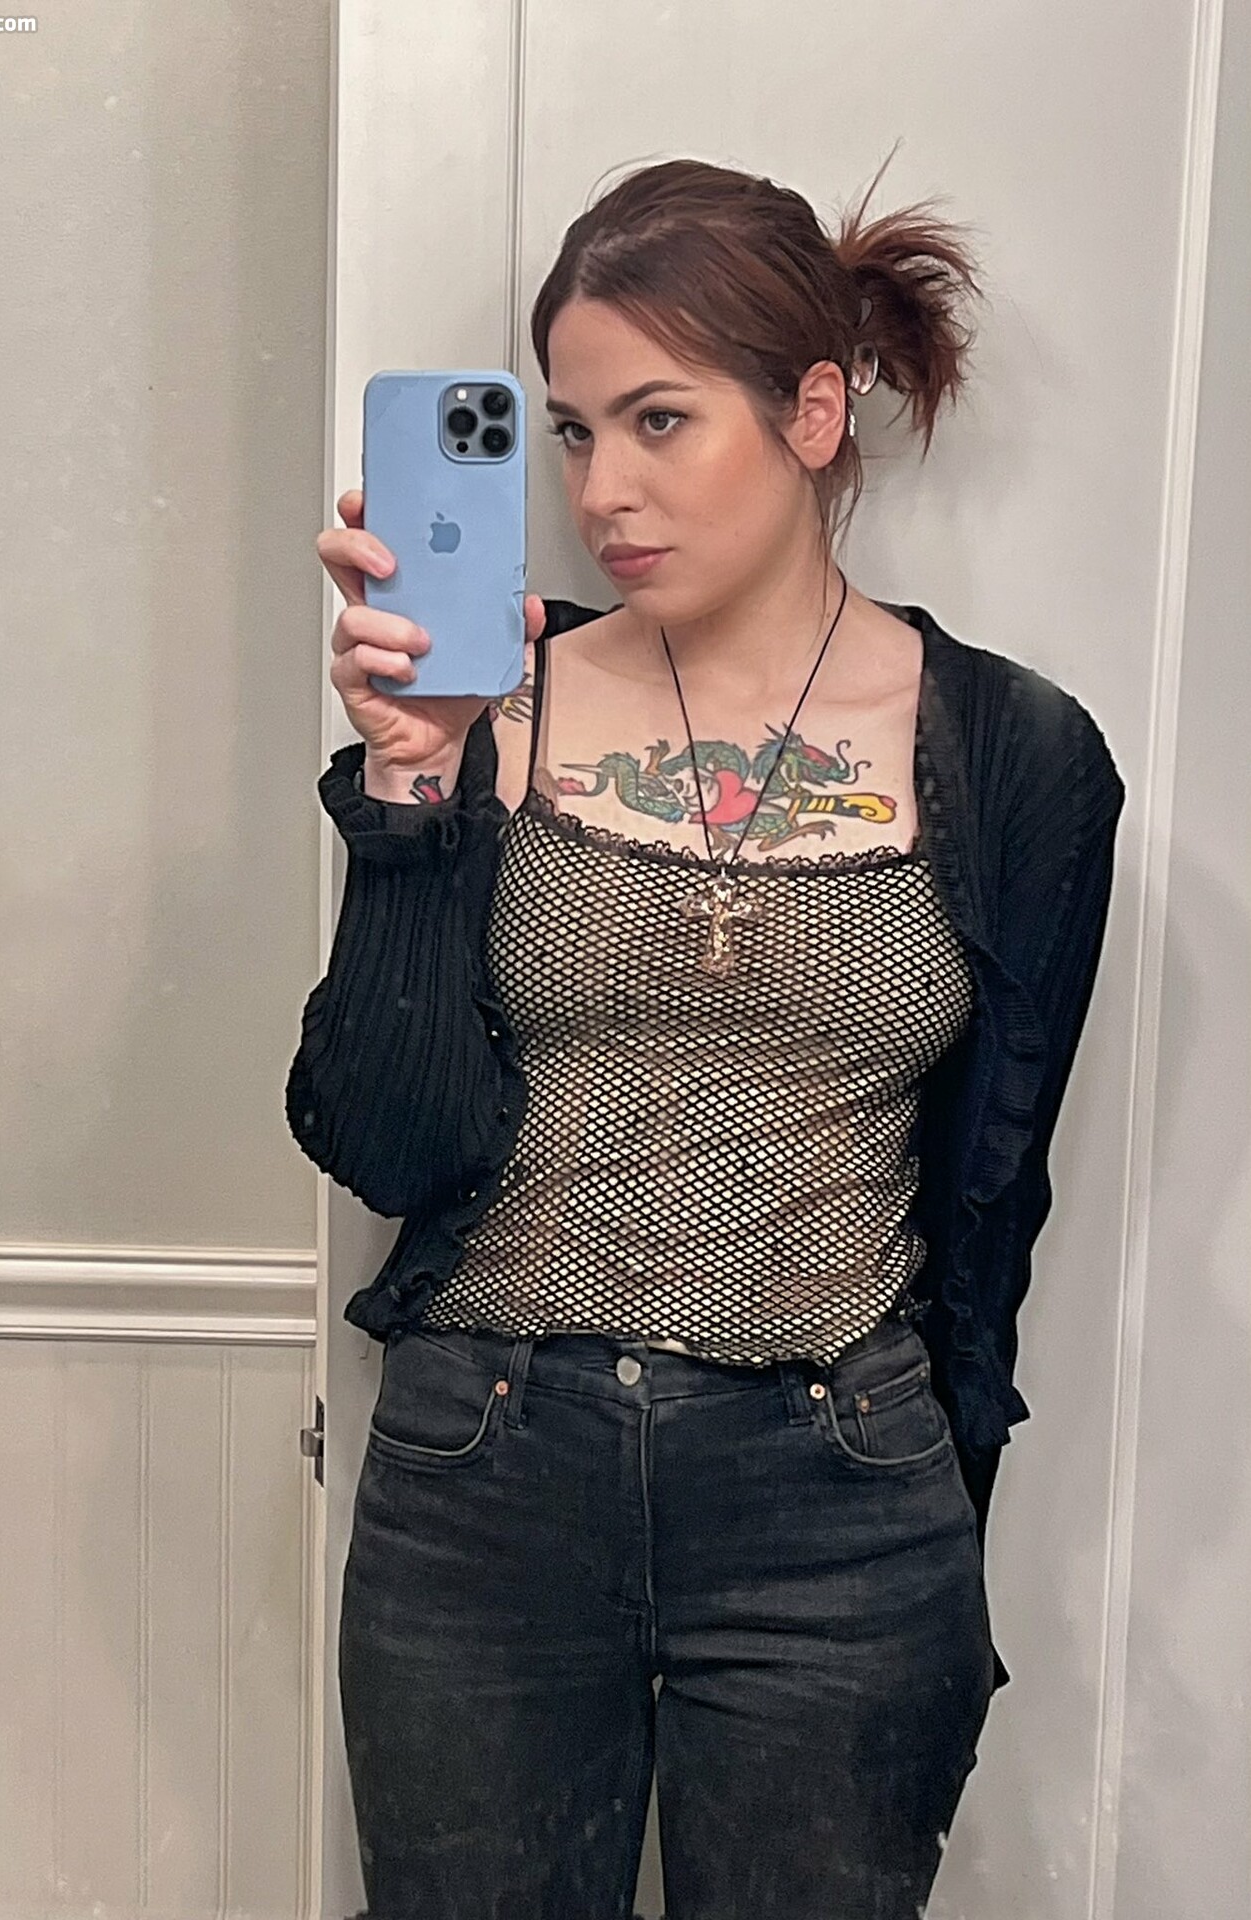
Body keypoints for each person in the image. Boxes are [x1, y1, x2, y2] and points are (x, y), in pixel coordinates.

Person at [288, 152, 1126, 1920]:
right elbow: (379, 1139)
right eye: (571, 432)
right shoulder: (489, 708)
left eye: (658, 420)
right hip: (483, 1480)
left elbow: (998, 1184)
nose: (603, 490)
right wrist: (413, 785)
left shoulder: (1018, 756)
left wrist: (938, 1476)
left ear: (812, 412)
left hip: (838, 1497)